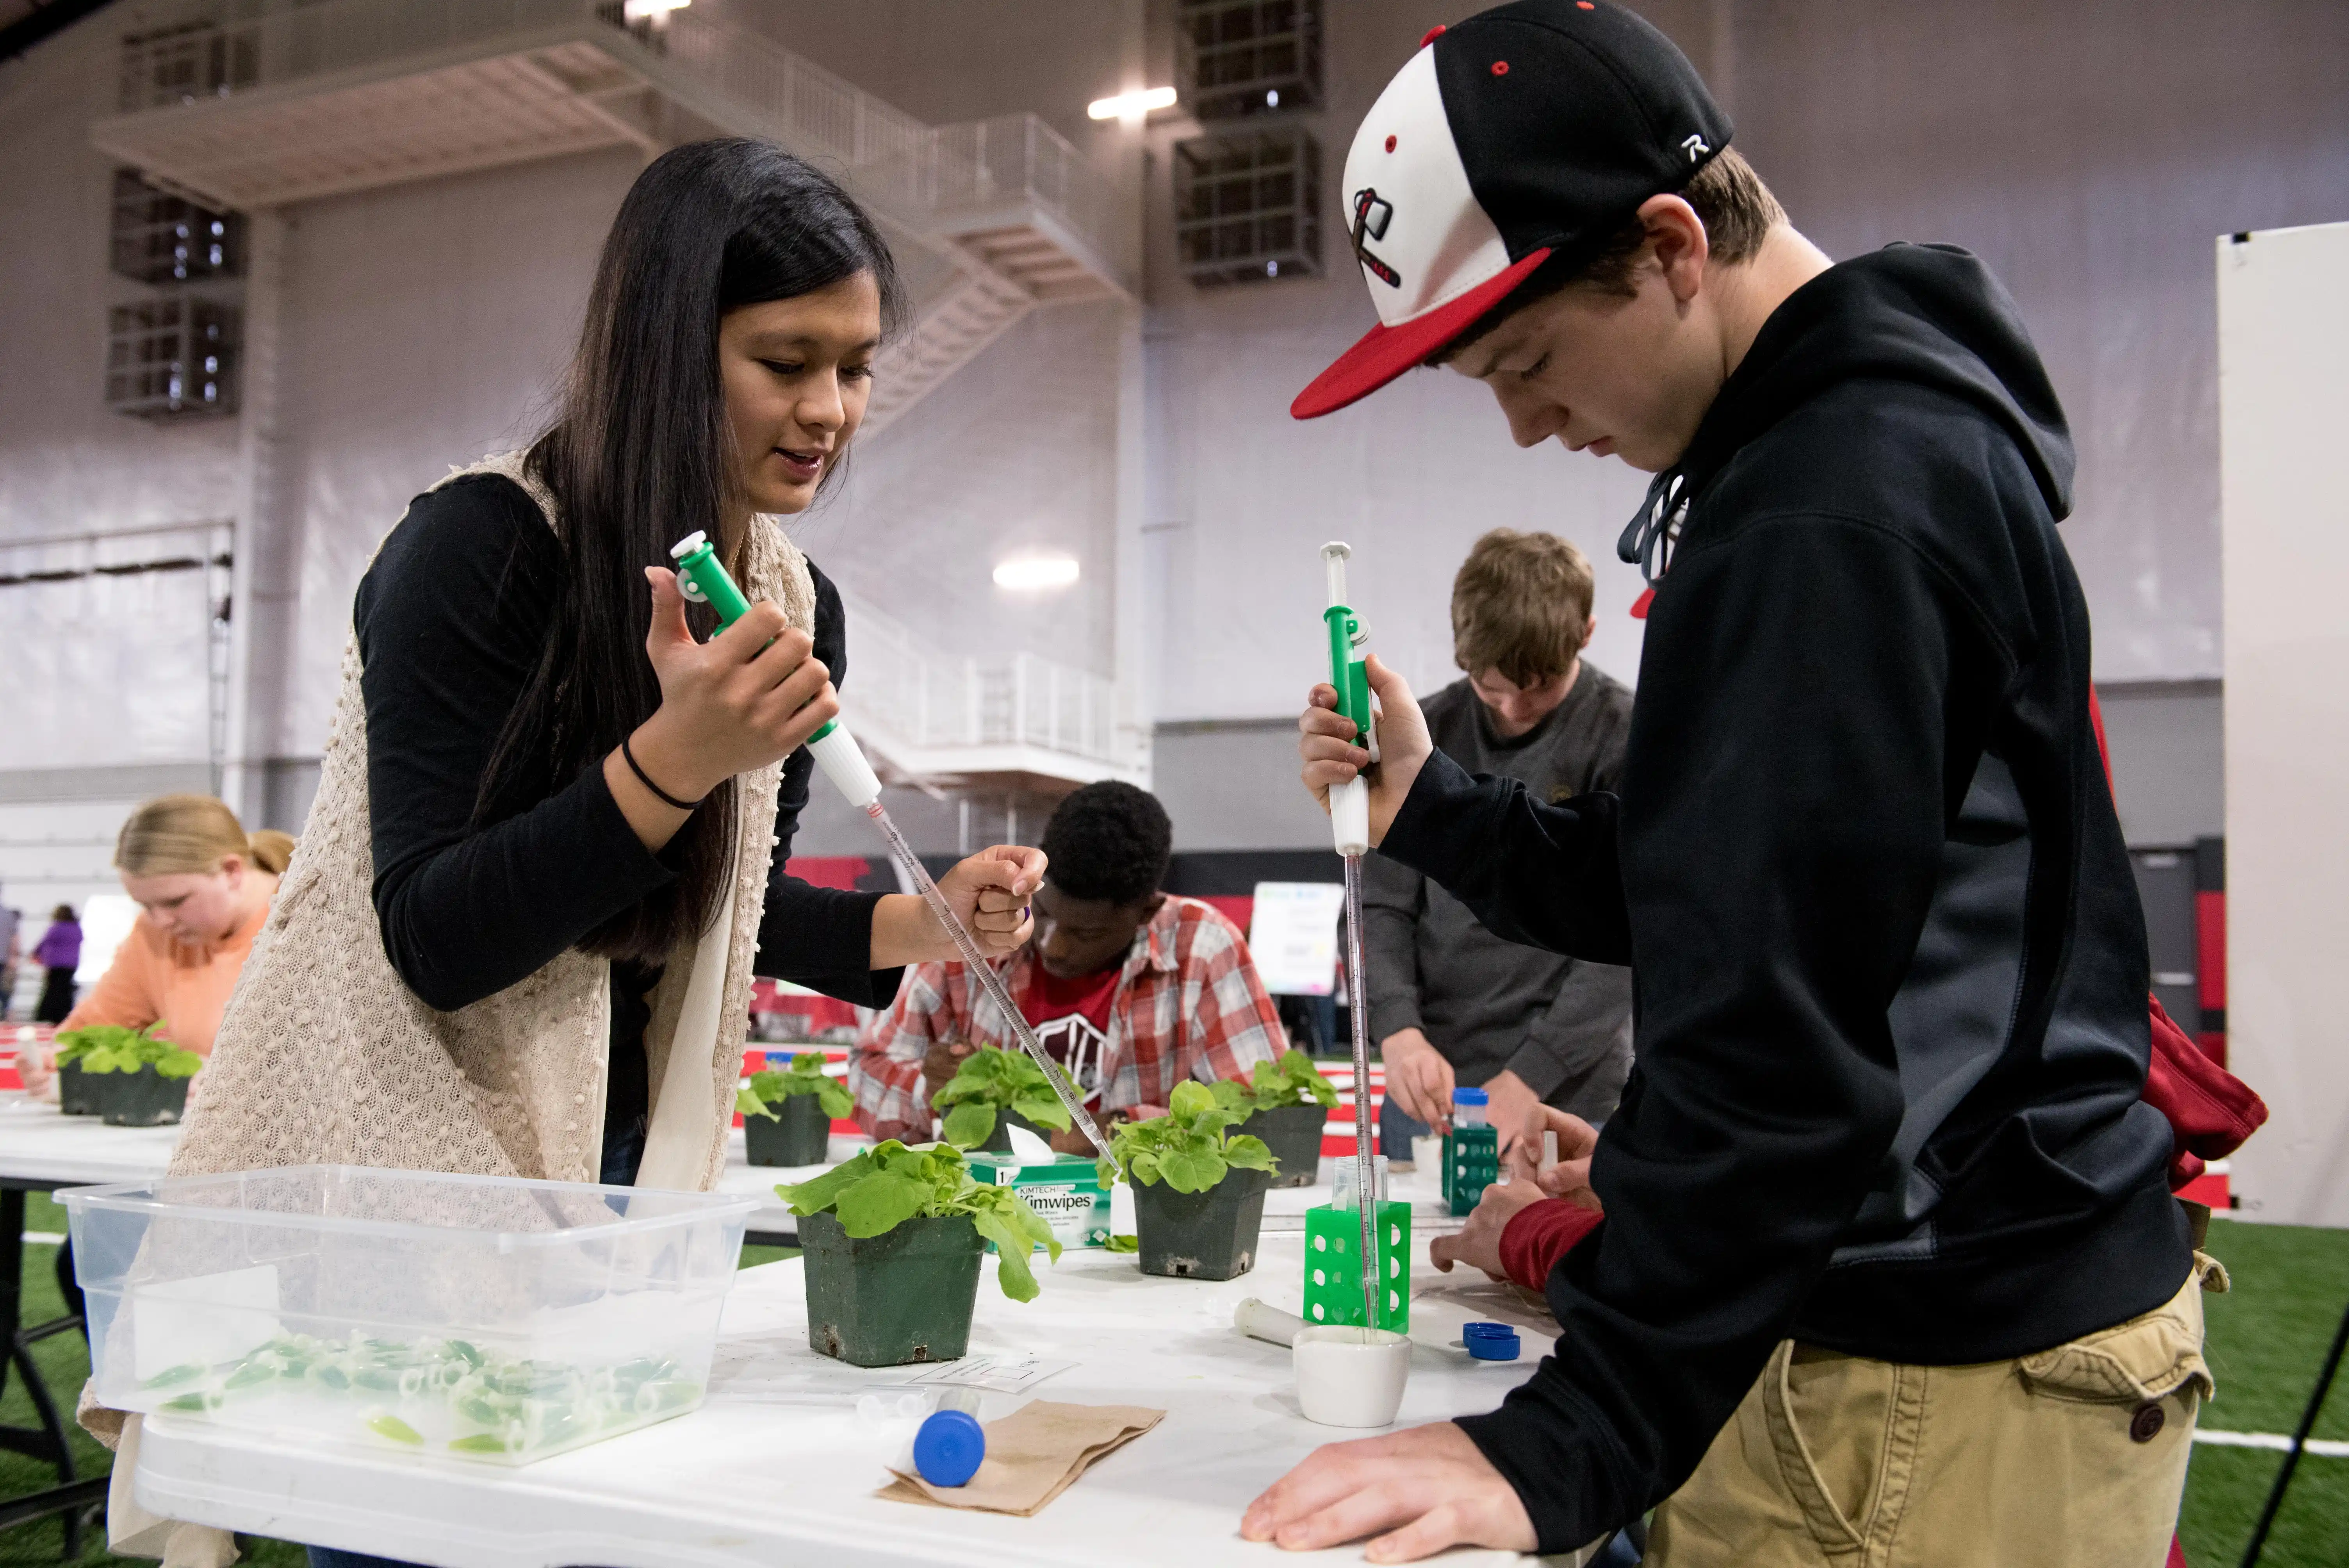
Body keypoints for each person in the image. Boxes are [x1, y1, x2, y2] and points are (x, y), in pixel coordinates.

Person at [1248, 5, 2208, 1565]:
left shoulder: (1823, 509)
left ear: (1672, 241)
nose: (1529, 421)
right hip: (1933, 1316)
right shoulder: (1844, 458)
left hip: (1927, 1356)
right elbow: (1720, 877)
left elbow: (1780, 1036)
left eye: (1529, 358)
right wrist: (1435, 804)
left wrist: (1577, 1431)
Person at [75, 140, 1044, 1568]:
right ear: (666, 344)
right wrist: (673, 761)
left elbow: (703, 905)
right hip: (408, 1178)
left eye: (854, 366)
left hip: (619, 1179)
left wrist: (913, 929)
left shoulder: (788, 595)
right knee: (427, 1527)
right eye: (786, 361)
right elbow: (436, 939)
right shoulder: (476, 552)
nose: (830, 411)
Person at [1364, 528, 1632, 1159]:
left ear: (1586, 633)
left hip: (1569, 1087)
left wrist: (1531, 1074)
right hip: (1428, 1084)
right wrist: (1397, 1029)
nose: (1513, 708)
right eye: (1491, 689)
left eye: (1538, 686)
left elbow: (1631, 934)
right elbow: (1382, 904)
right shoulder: (1423, 733)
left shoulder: (1624, 733)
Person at [851, 780, 1287, 1155]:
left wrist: (1106, 1129)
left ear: (1145, 912)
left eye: (1085, 933)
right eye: (1043, 912)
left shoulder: (1202, 946)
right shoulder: (985, 931)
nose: (1053, 945)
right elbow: (866, 1073)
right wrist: (931, 1090)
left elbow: (1259, 1109)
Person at [20, 797, 291, 1099]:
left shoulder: (309, 923)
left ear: (231, 871)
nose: (160, 921)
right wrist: (57, 1061)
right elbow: (94, 1031)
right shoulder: (154, 935)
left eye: (175, 902)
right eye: (145, 905)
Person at [30, 905, 80, 1025]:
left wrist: (36, 954)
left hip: (55, 964)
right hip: (71, 965)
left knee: (52, 990)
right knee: (66, 991)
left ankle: (46, 1016)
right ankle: (65, 1015)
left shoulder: (56, 928)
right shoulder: (77, 929)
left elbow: (44, 942)